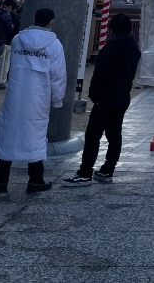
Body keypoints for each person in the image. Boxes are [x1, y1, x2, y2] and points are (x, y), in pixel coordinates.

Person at [0, 7, 66, 194]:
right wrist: (57, 100)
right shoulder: (54, 45)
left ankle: (1, 181)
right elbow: (58, 76)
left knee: (8, 133)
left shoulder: (18, 40)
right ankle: (35, 180)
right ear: (51, 22)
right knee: (35, 136)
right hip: (39, 97)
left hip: (16, 93)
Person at [63, 13, 141, 187]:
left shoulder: (110, 49)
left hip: (106, 97)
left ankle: (85, 172)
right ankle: (108, 169)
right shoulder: (134, 49)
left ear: (112, 29)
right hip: (123, 95)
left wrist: (95, 95)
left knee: (93, 135)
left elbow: (100, 75)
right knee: (114, 134)